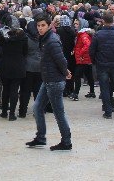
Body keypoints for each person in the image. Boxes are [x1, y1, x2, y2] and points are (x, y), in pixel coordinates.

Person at [26, 13, 72, 151]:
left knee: (58, 112)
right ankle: (41, 137)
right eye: (38, 26)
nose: (40, 28)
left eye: (43, 25)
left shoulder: (51, 40)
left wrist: (65, 72)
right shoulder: (45, 39)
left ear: (49, 25)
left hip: (55, 81)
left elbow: (61, 59)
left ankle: (66, 141)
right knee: (37, 107)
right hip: (48, 79)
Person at [89, 12, 114, 119]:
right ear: (113, 21)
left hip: (102, 64)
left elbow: (92, 51)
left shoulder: (98, 34)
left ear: (103, 21)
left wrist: (95, 62)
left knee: (105, 88)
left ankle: (108, 111)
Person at [0, 26, 28, 121]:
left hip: (5, 66)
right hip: (18, 66)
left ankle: (4, 112)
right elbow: (25, 52)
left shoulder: (5, 40)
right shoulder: (23, 40)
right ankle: (12, 114)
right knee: (14, 90)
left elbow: (0, 46)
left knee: (5, 89)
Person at [19, 18, 42, 117]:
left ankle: (22, 111)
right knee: (38, 91)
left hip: (28, 67)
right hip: (39, 67)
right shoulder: (41, 37)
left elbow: (23, 52)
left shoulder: (26, 38)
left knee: (25, 91)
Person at [71, 18, 95, 101]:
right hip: (86, 58)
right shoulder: (84, 33)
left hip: (82, 59)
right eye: (74, 24)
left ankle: (75, 94)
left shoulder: (83, 34)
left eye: (77, 24)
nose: (75, 25)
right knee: (89, 75)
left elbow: (87, 45)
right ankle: (92, 92)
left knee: (77, 76)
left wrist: (80, 53)